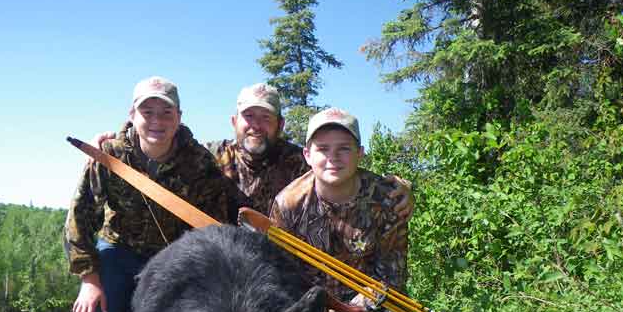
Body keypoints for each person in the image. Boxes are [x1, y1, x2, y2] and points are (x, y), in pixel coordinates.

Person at [65, 76, 234, 312]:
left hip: (174, 259)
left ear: (179, 117)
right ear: (132, 114)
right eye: (147, 112)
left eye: (167, 112)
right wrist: (90, 280)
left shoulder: (200, 162)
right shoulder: (107, 155)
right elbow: (79, 219)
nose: (157, 121)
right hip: (118, 250)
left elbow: (212, 228)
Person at [98, 82, 414, 220]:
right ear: (234, 121)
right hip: (221, 256)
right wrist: (116, 139)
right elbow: (159, 143)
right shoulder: (206, 156)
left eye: (266, 118)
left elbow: (340, 169)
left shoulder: (299, 160)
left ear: (280, 124)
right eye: (249, 116)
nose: (256, 126)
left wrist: (398, 188)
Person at [269, 107, 411, 312]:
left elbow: (391, 279)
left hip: (369, 308)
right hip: (309, 306)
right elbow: (279, 274)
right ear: (307, 155)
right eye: (323, 149)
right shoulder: (287, 204)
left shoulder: (388, 200)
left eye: (344, 148)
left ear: (360, 153)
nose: (333, 157)